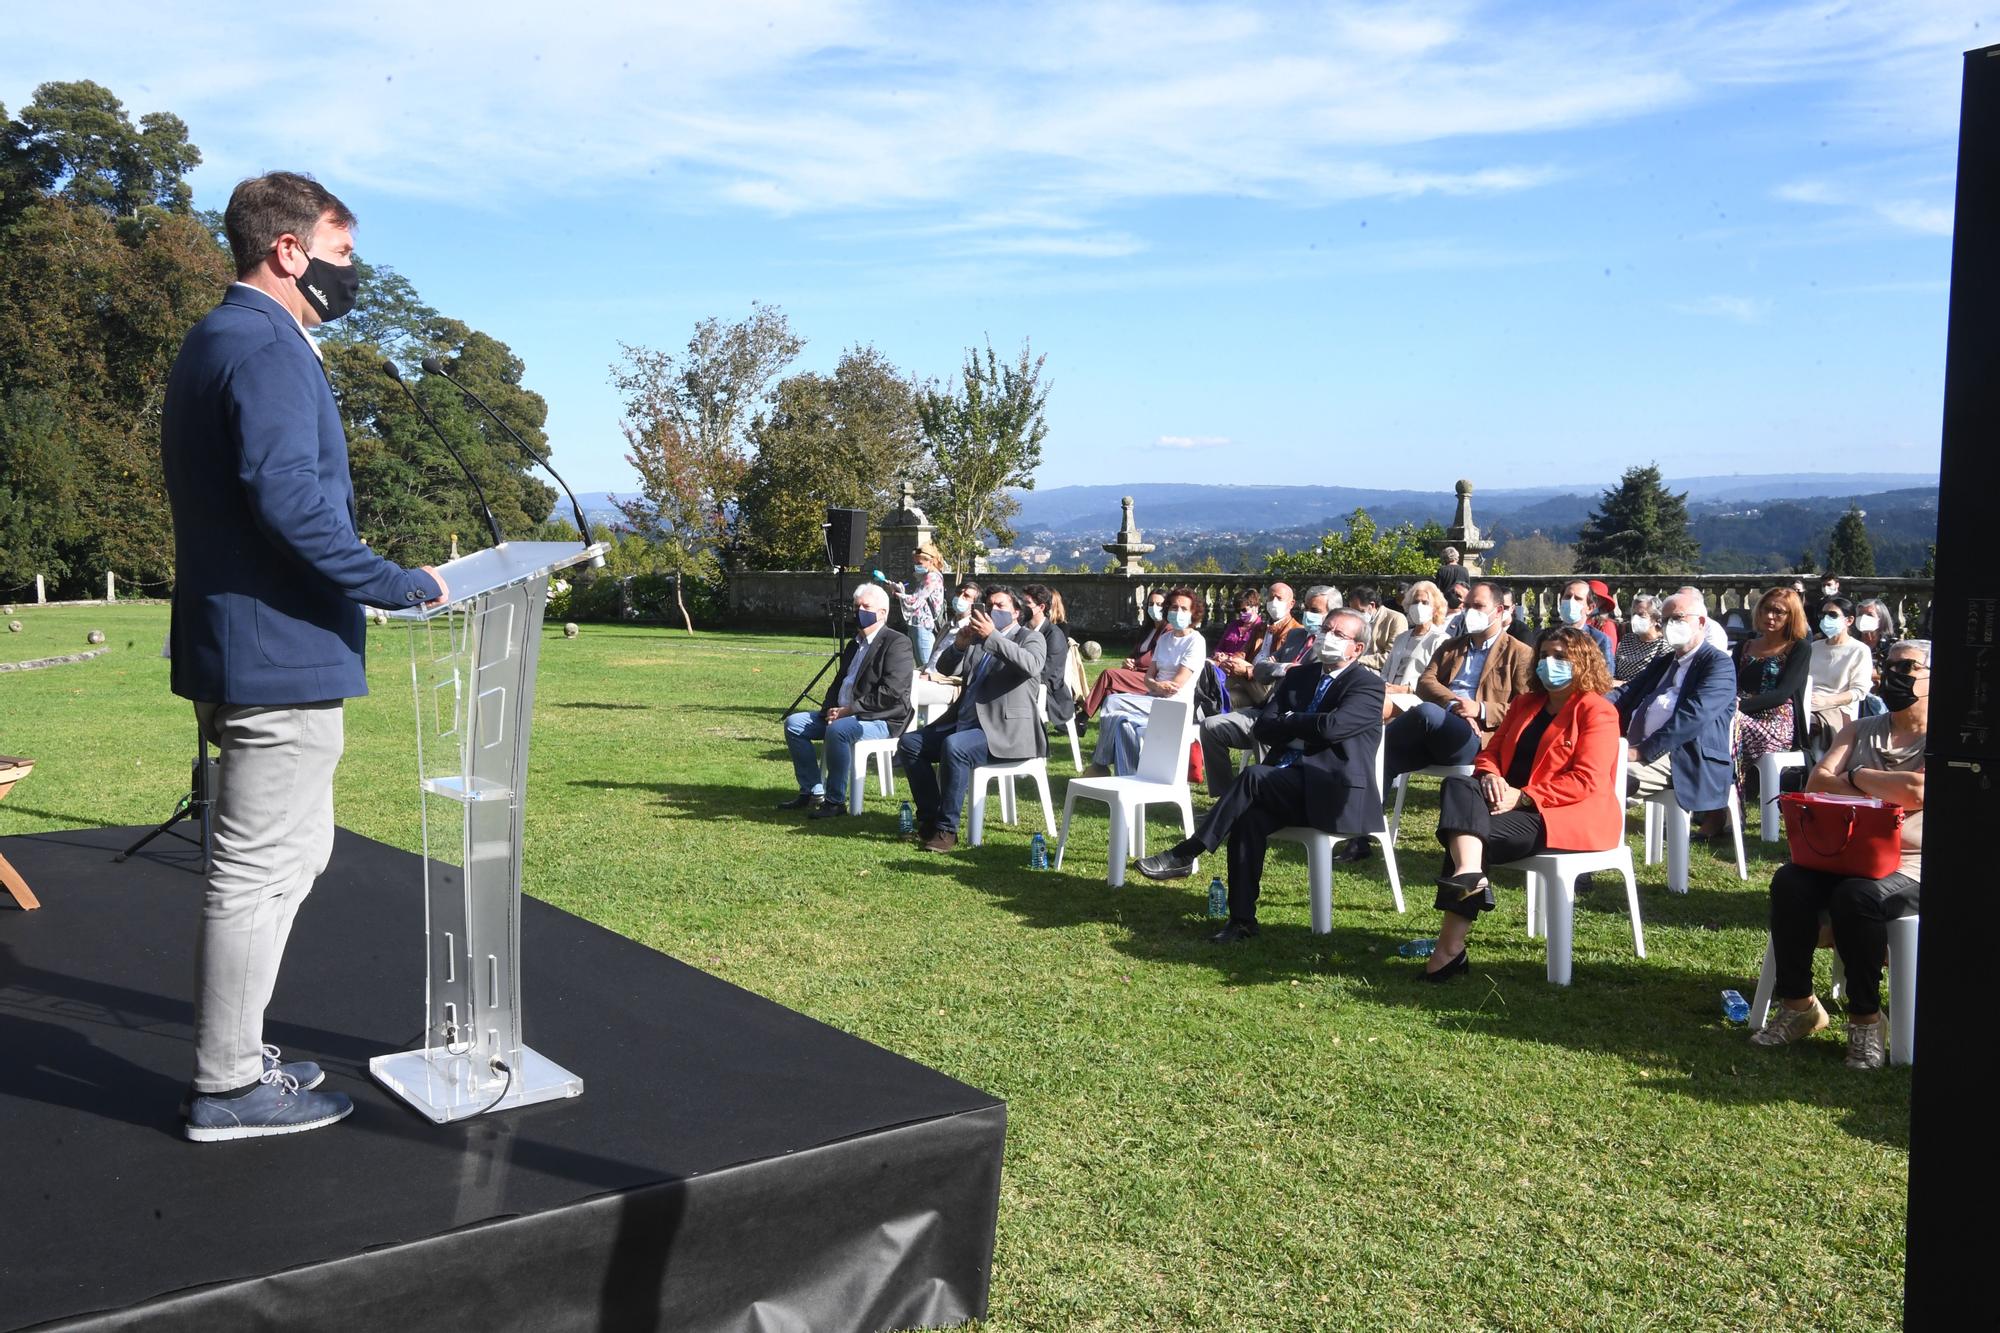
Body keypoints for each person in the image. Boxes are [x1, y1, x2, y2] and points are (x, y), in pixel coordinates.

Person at [161, 172, 448, 1141]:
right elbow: (288, 499)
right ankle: (230, 1080)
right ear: (289, 249)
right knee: (256, 868)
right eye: (342, 252)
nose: (348, 272)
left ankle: (237, 1055)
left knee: (293, 857)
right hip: (275, 651)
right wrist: (393, 580)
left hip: (249, 643)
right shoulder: (266, 344)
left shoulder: (219, 338)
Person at [1133, 609, 1385, 943]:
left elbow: (1334, 727)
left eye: (1339, 634)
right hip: (1285, 784)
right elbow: (1265, 726)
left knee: (1253, 778)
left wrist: (1293, 721)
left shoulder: (1367, 685)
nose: (1328, 637)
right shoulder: (1299, 677)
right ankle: (1242, 920)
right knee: (1248, 817)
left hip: (1332, 792)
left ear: (1356, 648)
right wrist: (1306, 724)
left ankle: (1188, 852)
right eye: (1326, 630)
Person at [1751, 639, 1928, 1069]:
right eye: (1890, 666)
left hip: (1909, 864)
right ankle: (1799, 1006)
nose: (1895, 676)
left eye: (1908, 668)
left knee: (1858, 897)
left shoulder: (1941, 739)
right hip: (1842, 853)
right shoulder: (1860, 728)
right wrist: (1880, 786)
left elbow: (1920, 789)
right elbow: (1816, 783)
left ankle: (1866, 1018)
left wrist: (1854, 775)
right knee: (1789, 881)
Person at [1417, 627, 1623, 979]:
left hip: (1558, 813)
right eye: (1545, 656)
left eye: (1560, 656)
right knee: (1459, 785)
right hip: (1505, 799)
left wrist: (1525, 796)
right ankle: (1470, 877)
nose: (1549, 663)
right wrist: (1494, 776)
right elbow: (1490, 753)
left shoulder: (1596, 711)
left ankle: (1449, 947)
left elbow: (1586, 780)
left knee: (1468, 833)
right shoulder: (1525, 703)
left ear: (1582, 661)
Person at [898, 586, 1048, 852]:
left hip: (1003, 730)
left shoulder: (1030, 638)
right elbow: (944, 669)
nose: (993, 610)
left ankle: (947, 830)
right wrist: (959, 646)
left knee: (955, 747)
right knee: (910, 743)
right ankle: (930, 818)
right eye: (989, 606)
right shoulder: (978, 641)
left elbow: (1031, 665)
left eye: (1001, 606)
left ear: (1016, 611)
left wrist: (993, 637)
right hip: (966, 723)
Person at [778, 584, 915, 819]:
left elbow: (891, 692)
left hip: (880, 719)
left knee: (839, 731)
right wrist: (829, 710)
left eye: (866, 606)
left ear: (882, 612)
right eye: (856, 606)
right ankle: (812, 790)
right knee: (795, 723)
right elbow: (839, 682)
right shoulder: (854, 644)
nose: (859, 611)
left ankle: (835, 800)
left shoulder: (897, 643)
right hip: (842, 714)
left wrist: (849, 711)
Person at [1384, 582, 1537, 784]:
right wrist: (1455, 705)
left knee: (1425, 712)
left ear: (1499, 610)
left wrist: (1480, 709)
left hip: (1475, 737)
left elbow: (1526, 709)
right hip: (1438, 724)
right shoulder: (1451, 646)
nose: (1470, 612)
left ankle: (1377, 743)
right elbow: (1425, 682)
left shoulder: (1520, 654)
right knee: (1383, 757)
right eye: (1467, 606)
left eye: (1478, 606)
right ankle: (1369, 813)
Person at [1609, 591, 1735, 824]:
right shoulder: (1665, 662)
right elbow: (1626, 692)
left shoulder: (1718, 664)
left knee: (1609, 778)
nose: (1670, 626)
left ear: (1701, 623)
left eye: (1678, 618)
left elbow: (1693, 716)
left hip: (1683, 756)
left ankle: (1599, 845)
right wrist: (1587, 706)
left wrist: (1642, 751)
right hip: (1639, 748)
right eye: (1665, 620)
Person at [1198, 585, 1326, 795]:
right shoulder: (1296, 636)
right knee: (1210, 726)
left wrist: (1271, 669)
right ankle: (1224, 796)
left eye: (1316, 611)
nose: (1309, 615)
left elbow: (1308, 676)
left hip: (1292, 714)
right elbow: (1262, 667)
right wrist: (1283, 667)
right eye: (1308, 609)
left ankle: (1266, 797)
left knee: (1264, 730)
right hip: (1266, 705)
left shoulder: (1328, 646)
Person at [1090, 587, 1206, 776]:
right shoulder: (1165, 639)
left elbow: (1174, 687)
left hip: (1175, 706)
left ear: (1193, 612)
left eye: (1184, 609)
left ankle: (1099, 764)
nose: (1178, 612)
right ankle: (1128, 777)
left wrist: (1156, 686)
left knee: (1112, 701)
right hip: (1153, 699)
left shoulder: (1196, 641)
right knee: (1122, 723)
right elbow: (1148, 677)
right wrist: (1156, 685)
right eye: (1174, 608)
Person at [1733, 587, 1811, 805]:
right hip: (1736, 714)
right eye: (1766, 609)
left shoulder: (1799, 648)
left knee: (1726, 723)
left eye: (1779, 612)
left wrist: (1738, 706)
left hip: (1775, 721)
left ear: (1791, 616)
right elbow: (1729, 683)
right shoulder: (1745, 646)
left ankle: (1726, 804)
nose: (1770, 616)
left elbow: (1782, 693)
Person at [1079, 588, 1171, 719]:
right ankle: (1111, 725)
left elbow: (1152, 659)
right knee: (1110, 691)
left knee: (1108, 675)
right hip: (1137, 674)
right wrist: (1128, 661)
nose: (1154, 608)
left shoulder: (1168, 630)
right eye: (1151, 604)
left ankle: (1083, 717)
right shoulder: (1147, 629)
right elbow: (1134, 654)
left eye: (1159, 604)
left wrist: (1135, 663)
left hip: (1151, 678)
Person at [1376, 580, 1451, 718]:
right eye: (1415, 602)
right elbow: (1386, 670)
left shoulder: (1440, 639)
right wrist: (1385, 687)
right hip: (1388, 694)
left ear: (1435, 608)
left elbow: (1439, 681)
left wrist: (1405, 690)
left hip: (1416, 699)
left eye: (1425, 603)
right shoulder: (1402, 637)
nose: (1419, 606)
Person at [1807, 596, 1873, 747]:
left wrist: (1826, 700)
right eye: (1822, 615)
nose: (1825, 619)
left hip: (1837, 709)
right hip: (1807, 704)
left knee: (1806, 723)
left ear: (1849, 620)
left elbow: (1859, 691)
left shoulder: (1859, 650)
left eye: (1832, 615)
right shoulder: (1814, 647)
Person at [912, 579, 980, 716]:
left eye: (966, 596)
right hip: (927, 675)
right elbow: (933, 657)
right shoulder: (947, 626)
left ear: (975, 604)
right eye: (959, 593)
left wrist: (932, 678)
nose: (960, 598)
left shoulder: (973, 631)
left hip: (946, 684)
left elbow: (966, 673)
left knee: (908, 691)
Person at [879, 542, 947, 668]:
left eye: (919, 563)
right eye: (915, 563)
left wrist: (899, 595)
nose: (916, 566)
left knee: (925, 665)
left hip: (922, 624)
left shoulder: (931, 577)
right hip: (920, 624)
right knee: (922, 662)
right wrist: (900, 590)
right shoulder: (929, 576)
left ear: (930, 561)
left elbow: (916, 600)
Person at [1019, 583, 1074, 725]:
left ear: (1041, 607)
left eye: (1027, 603)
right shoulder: (1021, 629)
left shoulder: (1054, 634)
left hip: (1049, 692)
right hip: (1026, 683)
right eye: (1021, 602)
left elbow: (1044, 673)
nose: (1021, 607)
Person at [1541, 579, 1616, 675]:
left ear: (1590, 608)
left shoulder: (1599, 639)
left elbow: (1606, 677)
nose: (1571, 602)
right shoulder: (1547, 636)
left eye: (1578, 598)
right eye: (1567, 597)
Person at [1852, 597, 1899, 716]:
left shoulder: (1890, 645)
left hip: (1878, 699)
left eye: (1869, 615)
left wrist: (1875, 674)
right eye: (1860, 614)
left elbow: (1895, 674)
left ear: (1881, 619)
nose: (1863, 618)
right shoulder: (1851, 642)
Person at [1348, 583, 1408, 672]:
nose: (1356, 615)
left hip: (1380, 670)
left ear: (1372, 605)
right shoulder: (1353, 619)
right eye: (1353, 611)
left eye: (1360, 611)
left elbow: (1391, 656)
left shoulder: (1396, 619)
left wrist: (1358, 660)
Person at [1615, 593, 1671, 683]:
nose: (1635, 619)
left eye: (1641, 615)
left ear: (1656, 619)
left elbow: (1655, 681)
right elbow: (1614, 666)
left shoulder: (1664, 646)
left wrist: (1621, 684)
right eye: (1634, 614)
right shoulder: (1628, 639)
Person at [1208, 587, 1267, 660]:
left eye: (1244, 610)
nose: (1241, 613)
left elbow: (1254, 655)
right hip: (1221, 663)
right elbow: (1219, 647)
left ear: (1255, 607)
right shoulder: (1233, 625)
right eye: (1238, 611)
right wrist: (1217, 654)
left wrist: (1229, 658)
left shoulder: (1262, 629)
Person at [1585, 579, 1621, 652]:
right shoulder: (1577, 622)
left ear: (1602, 601)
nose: (1589, 600)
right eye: (1586, 597)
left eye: (1594, 598)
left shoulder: (1606, 626)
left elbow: (1608, 656)